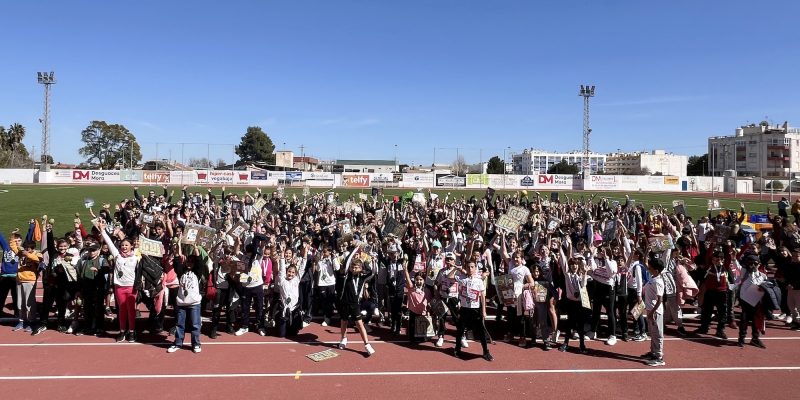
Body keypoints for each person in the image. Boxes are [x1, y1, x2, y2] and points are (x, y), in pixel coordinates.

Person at [97, 219, 139, 343]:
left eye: (127, 245)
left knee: (131, 310)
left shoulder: (136, 255)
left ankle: (131, 331)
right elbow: (109, 243)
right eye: (122, 245)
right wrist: (102, 230)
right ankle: (122, 331)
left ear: (132, 246)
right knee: (121, 310)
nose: (124, 247)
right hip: (119, 287)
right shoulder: (117, 255)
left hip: (131, 287)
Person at [451, 261, 493, 361]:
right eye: (468, 267)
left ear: (475, 268)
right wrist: (456, 268)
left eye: (472, 267)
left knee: (481, 331)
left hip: (475, 309)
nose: (470, 269)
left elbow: (482, 296)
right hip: (464, 309)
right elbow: (450, 276)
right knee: (460, 329)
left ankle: (486, 351)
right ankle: (457, 349)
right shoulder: (462, 278)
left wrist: (484, 310)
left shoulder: (479, 280)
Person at [335, 257, 376, 356]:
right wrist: (355, 249)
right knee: (344, 321)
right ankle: (343, 339)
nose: (354, 269)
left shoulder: (362, 277)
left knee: (360, 324)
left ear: (360, 268)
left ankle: (367, 344)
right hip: (344, 302)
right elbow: (347, 261)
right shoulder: (346, 275)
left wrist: (372, 261)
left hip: (355, 304)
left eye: (356, 267)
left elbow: (373, 272)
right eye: (352, 267)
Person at [168, 244, 203, 354]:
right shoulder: (181, 272)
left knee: (195, 325)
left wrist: (196, 248)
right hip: (181, 303)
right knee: (179, 324)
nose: (189, 264)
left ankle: (196, 344)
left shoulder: (197, 273)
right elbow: (177, 260)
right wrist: (178, 245)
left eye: (192, 262)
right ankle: (178, 343)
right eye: (188, 261)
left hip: (194, 303)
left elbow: (200, 262)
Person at [559, 256, 588, 354]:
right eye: (572, 264)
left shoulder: (580, 275)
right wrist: (560, 249)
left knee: (580, 325)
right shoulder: (567, 275)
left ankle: (582, 344)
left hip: (580, 303)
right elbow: (563, 263)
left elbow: (583, 285)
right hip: (570, 302)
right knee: (569, 323)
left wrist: (584, 273)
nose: (574, 266)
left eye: (576, 264)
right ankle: (566, 343)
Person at [738, 255, 767, 348]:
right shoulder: (744, 273)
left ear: (759, 264)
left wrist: (763, 289)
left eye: (755, 263)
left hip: (757, 301)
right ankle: (741, 338)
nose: (753, 265)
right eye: (751, 263)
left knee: (756, 319)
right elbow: (735, 264)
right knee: (744, 320)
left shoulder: (763, 276)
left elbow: (767, 287)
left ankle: (755, 338)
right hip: (745, 300)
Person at [642, 256, 665, 367]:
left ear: (656, 270)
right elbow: (645, 264)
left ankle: (659, 357)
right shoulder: (653, 277)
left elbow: (660, 299)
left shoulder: (658, 282)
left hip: (656, 312)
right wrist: (646, 251)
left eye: (650, 268)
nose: (648, 268)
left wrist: (652, 312)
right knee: (652, 333)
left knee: (657, 334)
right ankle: (653, 352)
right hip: (650, 310)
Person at [403, 264, 432, 344]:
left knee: (423, 339)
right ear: (414, 280)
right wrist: (405, 270)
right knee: (412, 339)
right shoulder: (411, 288)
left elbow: (429, 303)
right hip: (413, 313)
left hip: (423, 314)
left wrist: (428, 312)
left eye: (421, 280)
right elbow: (408, 280)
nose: (419, 281)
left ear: (424, 280)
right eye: (417, 280)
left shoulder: (427, 291)